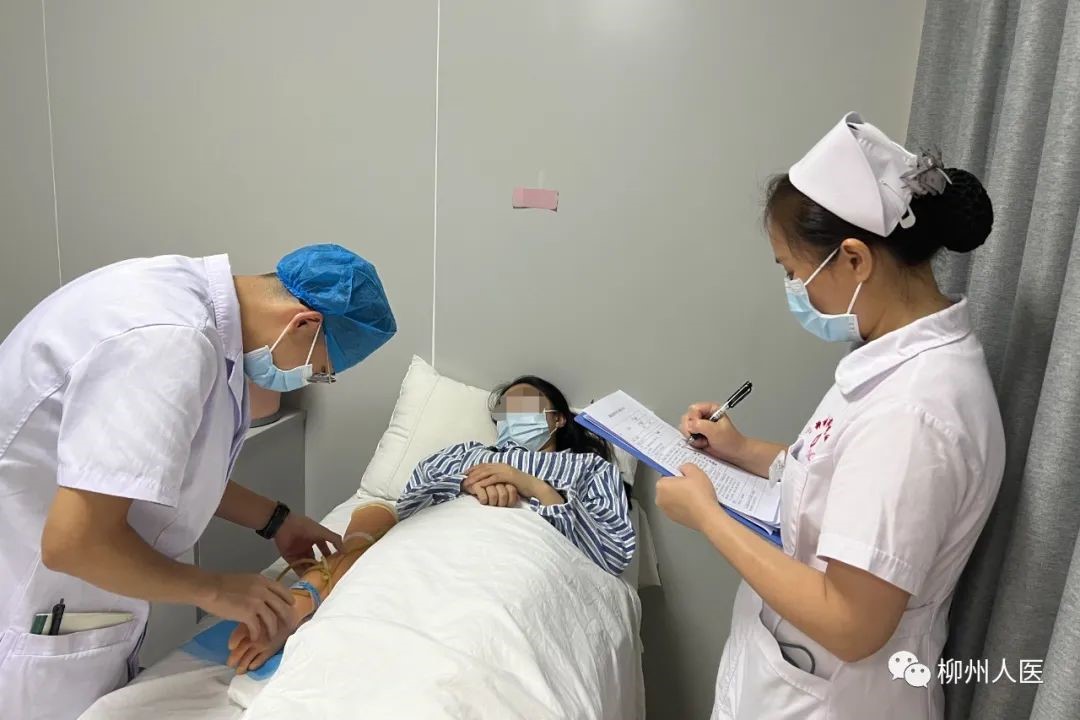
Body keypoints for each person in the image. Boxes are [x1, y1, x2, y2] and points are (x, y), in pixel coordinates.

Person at [654, 112, 1005, 720]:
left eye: (794, 273)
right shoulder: (894, 362)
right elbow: (838, 476)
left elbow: (851, 622)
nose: (796, 291)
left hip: (837, 697)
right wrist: (741, 450)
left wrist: (708, 517)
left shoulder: (912, 413)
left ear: (854, 260)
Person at [0, 243, 396, 720]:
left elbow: (158, 467)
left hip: (68, 596)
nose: (305, 379)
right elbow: (74, 542)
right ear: (303, 324)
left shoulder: (186, 306)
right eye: (319, 371)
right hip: (31, 604)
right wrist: (216, 590)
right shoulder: (170, 342)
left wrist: (278, 521)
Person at [224, 375, 636, 675]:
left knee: (482, 637)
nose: (512, 415)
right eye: (504, 410)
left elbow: (612, 551)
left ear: (558, 418)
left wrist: (533, 487)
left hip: (522, 561)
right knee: (374, 613)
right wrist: (468, 482)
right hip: (440, 546)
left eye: (524, 406)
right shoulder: (468, 454)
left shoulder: (588, 468)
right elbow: (409, 503)